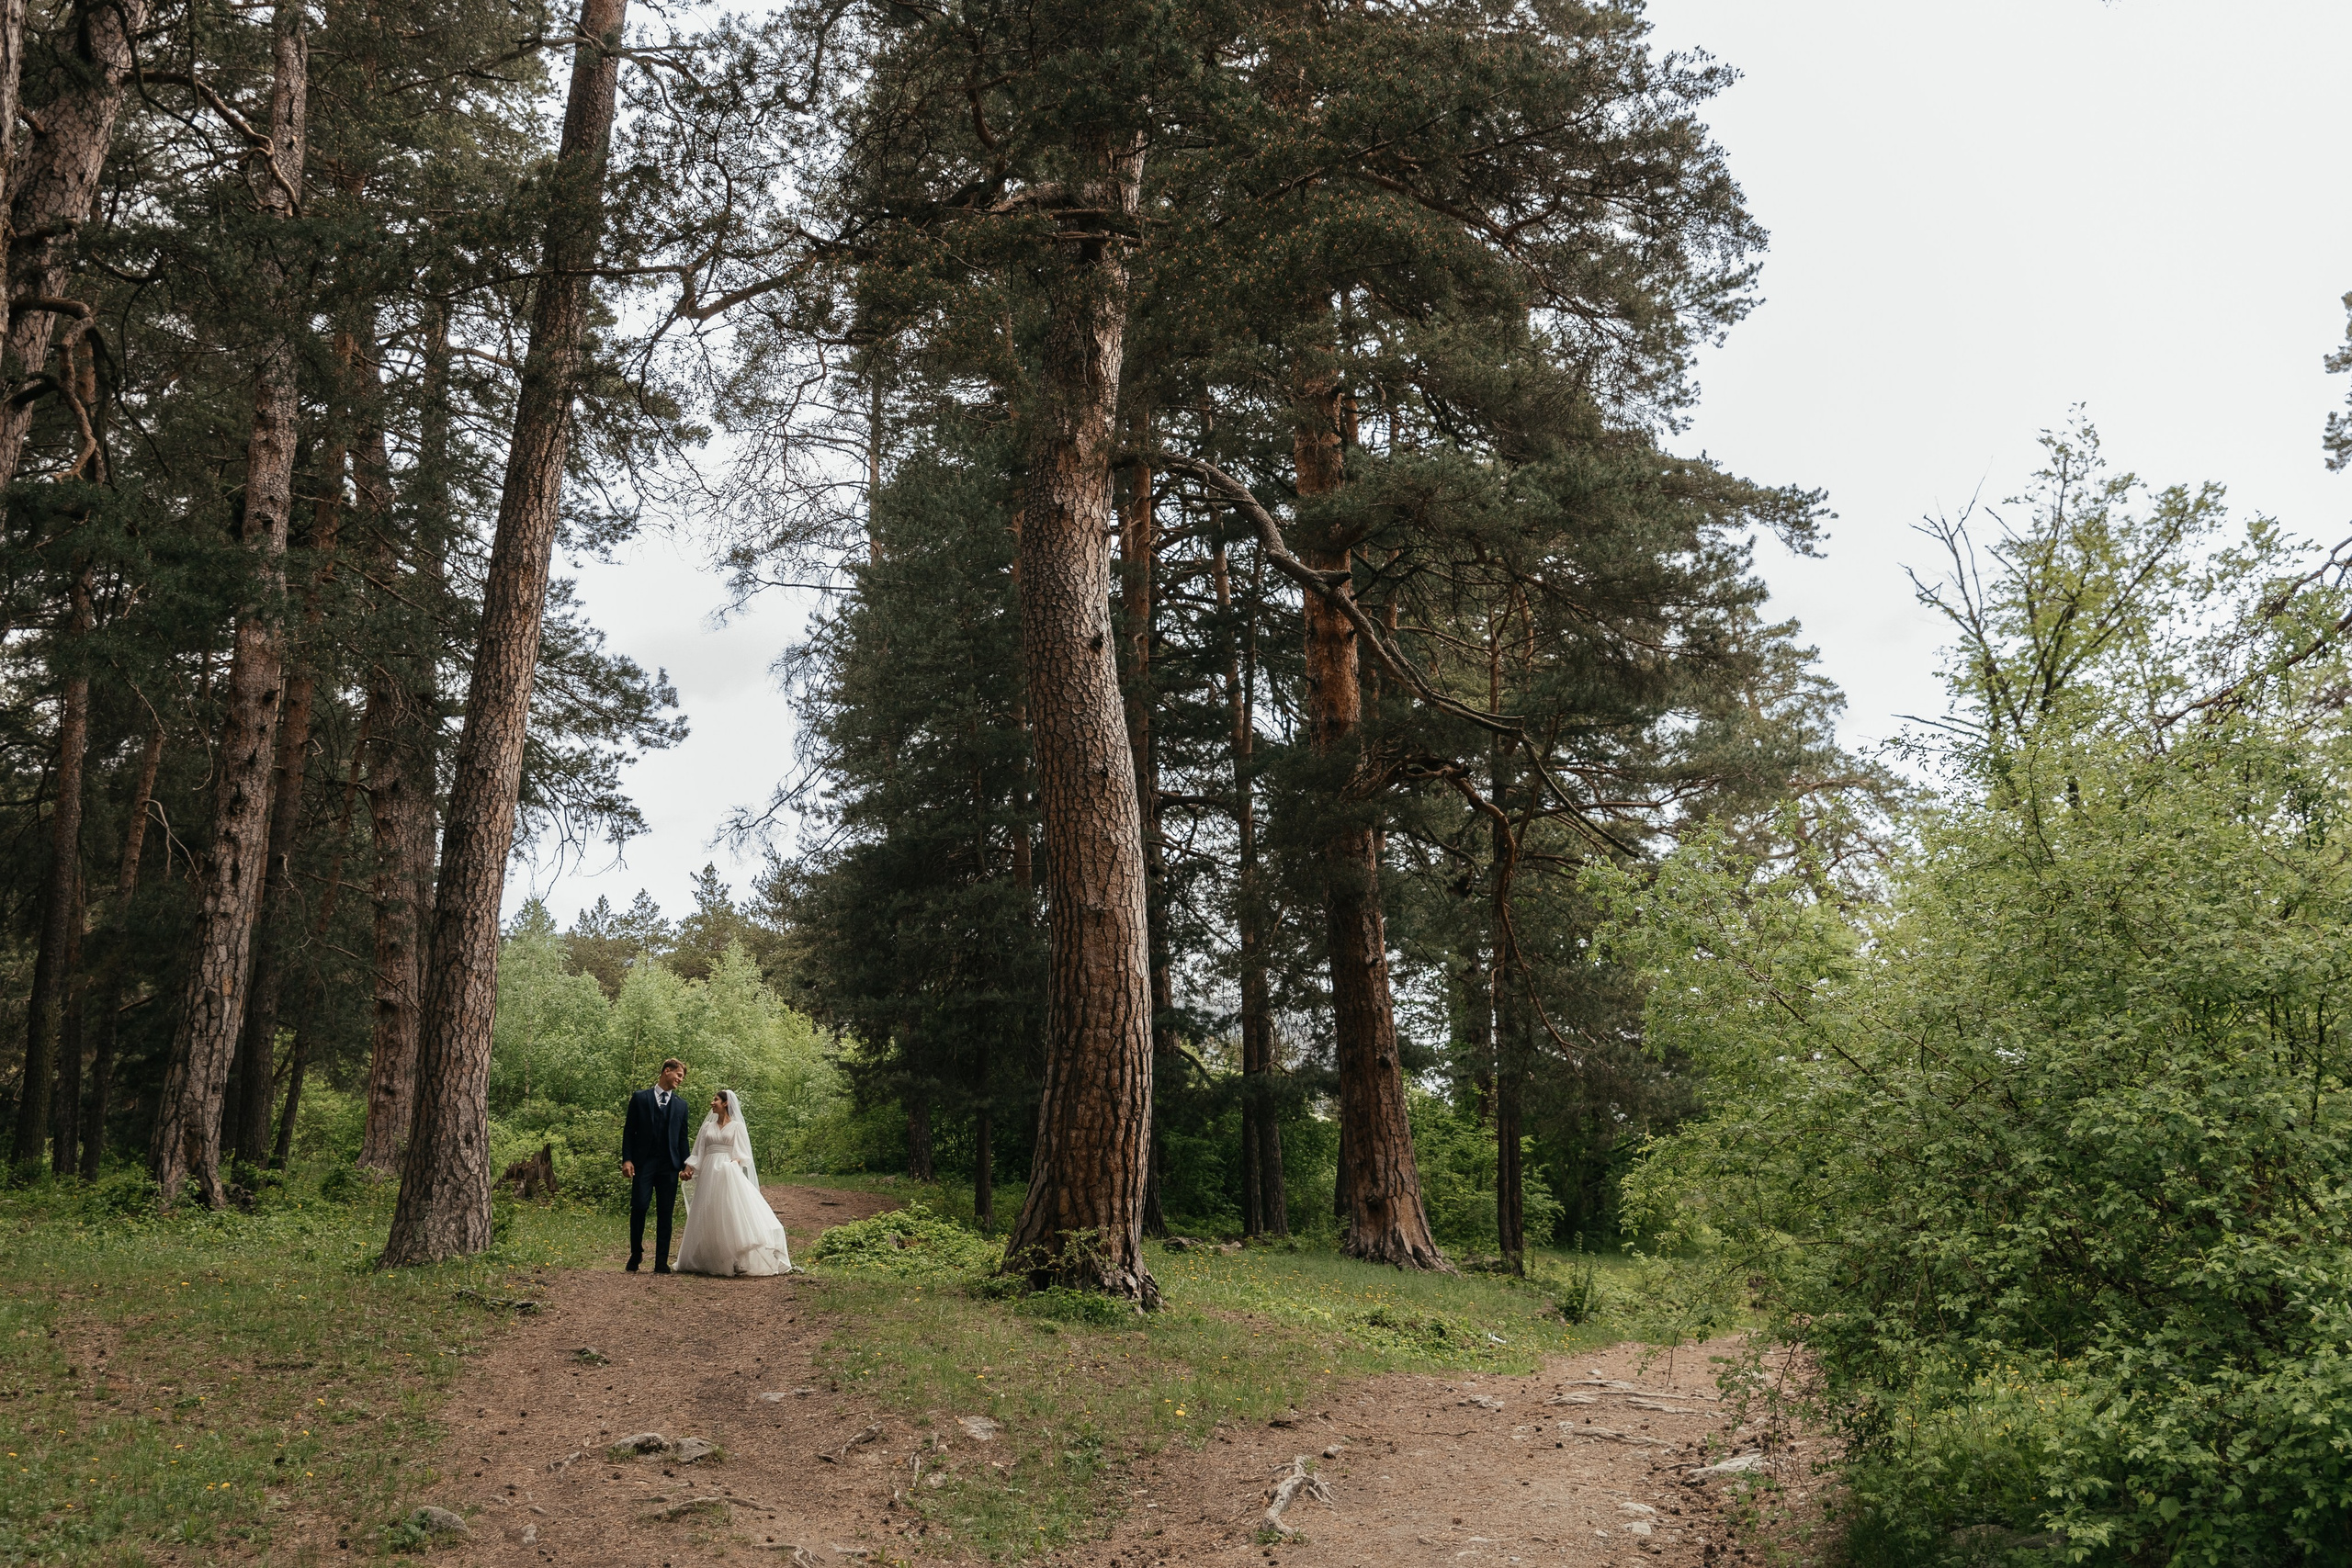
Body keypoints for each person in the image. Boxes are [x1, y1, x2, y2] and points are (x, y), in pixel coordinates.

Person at [673, 1089, 795, 1277]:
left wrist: (733, 1164)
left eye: (715, 1100)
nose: (712, 1103)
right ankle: (709, 1257)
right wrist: (689, 1169)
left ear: (726, 1103)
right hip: (709, 1172)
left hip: (727, 1172)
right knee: (709, 1210)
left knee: (729, 1210)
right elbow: (698, 1152)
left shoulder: (737, 1127)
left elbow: (743, 1154)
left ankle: (735, 1258)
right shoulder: (707, 1127)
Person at [620, 1057, 695, 1272]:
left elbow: (682, 1138)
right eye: (679, 1075)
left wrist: (687, 1164)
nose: (680, 1079)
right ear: (666, 1071)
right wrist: (627, 1159)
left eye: (682, 1077)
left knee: (665, 1212)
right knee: (639, 1206)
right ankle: (636, 1254)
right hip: (643, 1163)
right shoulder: (640, 1098)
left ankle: (661, 1262)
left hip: (669, 1166)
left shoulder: (681, 1105)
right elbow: (629, 1131)